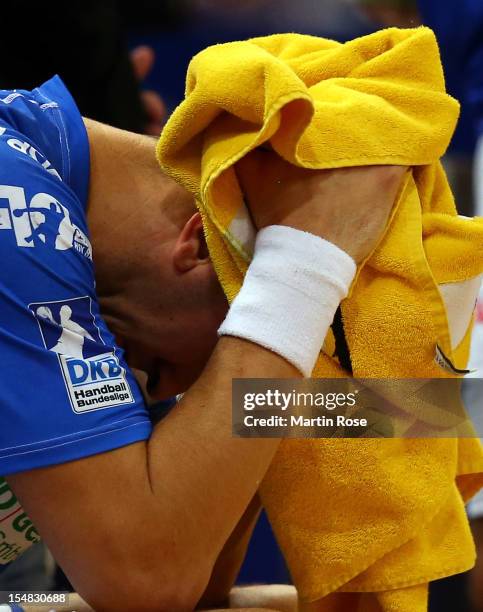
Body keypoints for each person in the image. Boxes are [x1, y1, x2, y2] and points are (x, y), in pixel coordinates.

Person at [0, 76, 404, 611]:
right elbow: (148, 579)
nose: (167, 389)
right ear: (196, 246)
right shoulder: (19, 208)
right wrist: (301, 274)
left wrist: (306, 379)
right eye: (250, 326)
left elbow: (193, 581)